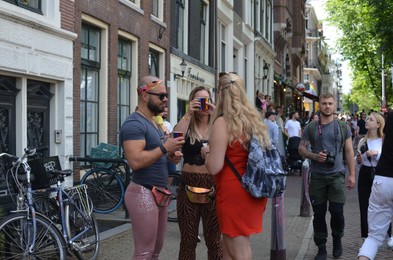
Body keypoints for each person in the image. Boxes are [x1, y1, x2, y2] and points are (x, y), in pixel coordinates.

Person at [203, 72, 270, 260]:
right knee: (229, 248)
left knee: (239, 250)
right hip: (251, 188)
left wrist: (207, 153)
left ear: (220, 92)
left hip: (233, 192)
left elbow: (214, 166)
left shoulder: (222, 123)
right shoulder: (252, 120)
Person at [120, 76, 184, 260]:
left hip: (159, 192)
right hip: (143, 192)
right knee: (144, 252)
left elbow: (156, 156)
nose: (165, 99)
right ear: (145, 95)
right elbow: (136, 161)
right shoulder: (134, 124)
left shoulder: (155, 124)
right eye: (161, 95)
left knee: (156, 250)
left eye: (166, 95)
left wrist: (170, 156)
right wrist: (165, 148)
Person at [298, 93, 355, 260]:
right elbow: (301, 149)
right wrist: (315, 156)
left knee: (337, 212)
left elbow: (349, 151)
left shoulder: (343, 127)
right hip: (318, 177)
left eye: (330, 103)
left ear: (334, 105)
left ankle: (337, 239)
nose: (327, 106)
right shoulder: (311, 127)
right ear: (319, 106)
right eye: (324, 103)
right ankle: (321, 247)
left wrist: (352, 174)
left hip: (337, 175)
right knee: (319, 214)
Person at [172, 86, 222, 260]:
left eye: (206, 100)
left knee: (215, 241)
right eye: (198, 100)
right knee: (188, 240)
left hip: (213, 185)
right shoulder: (187, 124)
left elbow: (234, 135)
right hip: (188, 185)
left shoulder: (218, 125)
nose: (203, 105)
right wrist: (188, 114)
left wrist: (217, 113)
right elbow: (175, 138)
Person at [358, 111, 393, 260]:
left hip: (383, 179)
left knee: (373, 238)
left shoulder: (391, 116)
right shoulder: (364, 141)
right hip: (378, 177)